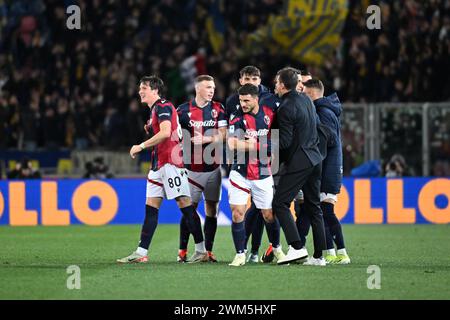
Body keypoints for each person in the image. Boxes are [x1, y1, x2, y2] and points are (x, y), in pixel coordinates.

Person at [117, 75, 207, 264]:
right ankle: (141, 252)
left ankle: (201, 250)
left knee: (186, 207)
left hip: (171, 164)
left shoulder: (163, 106)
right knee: (151, 208)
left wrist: (141, 145)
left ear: (155, 90)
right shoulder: (156, 110)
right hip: (158, 165)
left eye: (144, 88)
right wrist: (151, 125)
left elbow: (166, 133)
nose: (140, 91)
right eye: (140, 87)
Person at [272, 67, 327, 266]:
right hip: (315, 158)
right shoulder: (306, 100)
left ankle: (296, 247)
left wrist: (266, 144)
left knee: (279, 203)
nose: (275, 85)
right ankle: (319, 257)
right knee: (314, 208)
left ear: (283, 85)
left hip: (300, 161)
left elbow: (285, 142)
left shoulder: (285, 106)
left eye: (277, 82)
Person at [227, 84, 284, 267]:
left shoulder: (270, 114)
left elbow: (277, 141)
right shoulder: (237, 117)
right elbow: (232, 143)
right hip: (240, 173)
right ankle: (240, 254)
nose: (242, 104)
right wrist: (259, 146)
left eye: (246, 100)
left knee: (269, 215)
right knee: (237, 213)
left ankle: (276, 248)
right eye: (241, 100)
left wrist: (259, 145)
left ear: (256, 99)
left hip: (263, 173)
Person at [176, 75, 228, 263]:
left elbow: (224, 134)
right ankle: (182, 250)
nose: (212, 90)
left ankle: (209, 251)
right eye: (208, 87)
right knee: (189, 209)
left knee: (211, 209)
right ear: (198, 89)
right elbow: (173, 134)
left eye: (213, 87)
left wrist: (206, 139)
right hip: (191, 170)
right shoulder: (182, 111)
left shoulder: (218, 109)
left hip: (214, 169)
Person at [300, 79, 350, 264]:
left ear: (311, 94)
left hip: (327, 170)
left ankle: (342, 252)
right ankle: (330, 252)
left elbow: (327, 140)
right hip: (327, 169)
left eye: (305, 94)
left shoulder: (324, 112)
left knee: (326, 211)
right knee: (320, 211)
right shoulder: (326, 110)